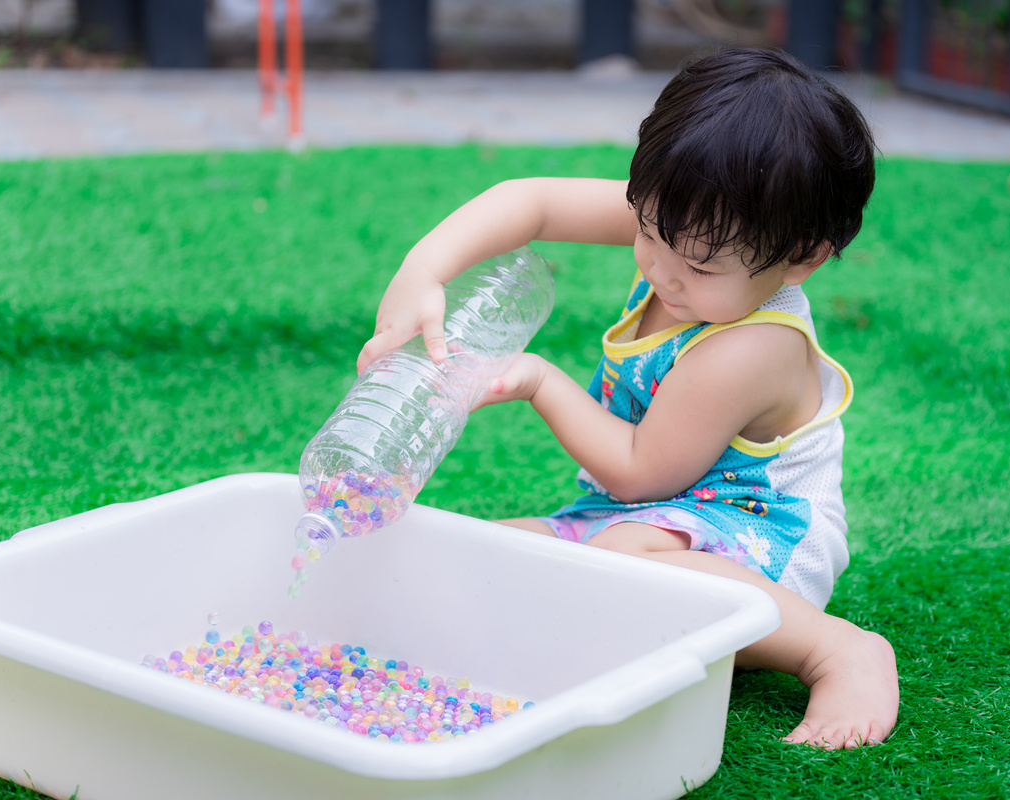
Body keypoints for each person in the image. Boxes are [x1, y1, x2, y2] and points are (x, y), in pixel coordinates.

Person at [357, 48, 899, 749]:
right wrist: (422, 270)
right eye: (645, 229)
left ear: (801, 255)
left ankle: (833, 649)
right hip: (634, 520)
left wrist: (540, 382)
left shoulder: (749, 347)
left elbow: (641, 470)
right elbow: (532, 200)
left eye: (698, 266)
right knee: (487, 556)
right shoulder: (688, 223)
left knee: (621, 563)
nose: (659, 267)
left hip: (758, 542)